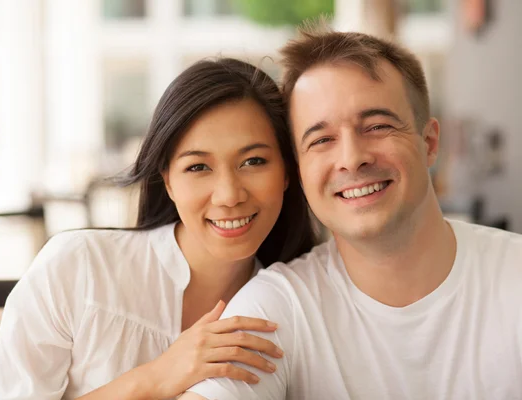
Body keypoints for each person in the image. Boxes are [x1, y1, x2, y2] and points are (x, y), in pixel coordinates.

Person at [183, 24, 522, 400]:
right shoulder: (273, 309)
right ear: (299, 170)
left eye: (377, 126)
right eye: (322, 140)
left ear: (429, 143)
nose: (352, 159)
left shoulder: (514, 276)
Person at [0, 58, 316, 400]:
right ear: (167, 180)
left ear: (288, 171)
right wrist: (155, 377)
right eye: (198, 167)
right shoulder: (78, 268)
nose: (228, 195)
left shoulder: (294, 308)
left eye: (253, 161)